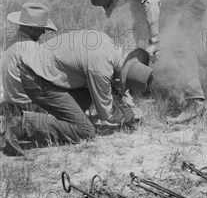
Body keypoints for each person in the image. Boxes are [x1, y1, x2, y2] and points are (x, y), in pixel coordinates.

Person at [90, 0, 207, 123]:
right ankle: (176, 84)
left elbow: (152, 5)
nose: (120, 6)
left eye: (115, 5)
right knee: (165, 35)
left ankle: (195, 103)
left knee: (181, 44)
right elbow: (140, 24)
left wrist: (154, 40)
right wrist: (141, 51)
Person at [5, 30, 153, 157]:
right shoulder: (100, 68)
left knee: (84, 102)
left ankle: (54, 121)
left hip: (40, 69)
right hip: (37, 80)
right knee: (85, 131)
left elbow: (108, 83)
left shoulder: (109, 45)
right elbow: (106, 114)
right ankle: (21, 124)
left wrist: (123, 100)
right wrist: (127, 115)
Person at [2, 3, 58, 155]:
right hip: (28, 106)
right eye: (41, 29)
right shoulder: (32, 49)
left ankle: (13, 126)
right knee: (72, 124)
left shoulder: (11, 42)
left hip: (10, 105)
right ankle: (19, 129)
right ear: (31, 28)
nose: (43, 32)